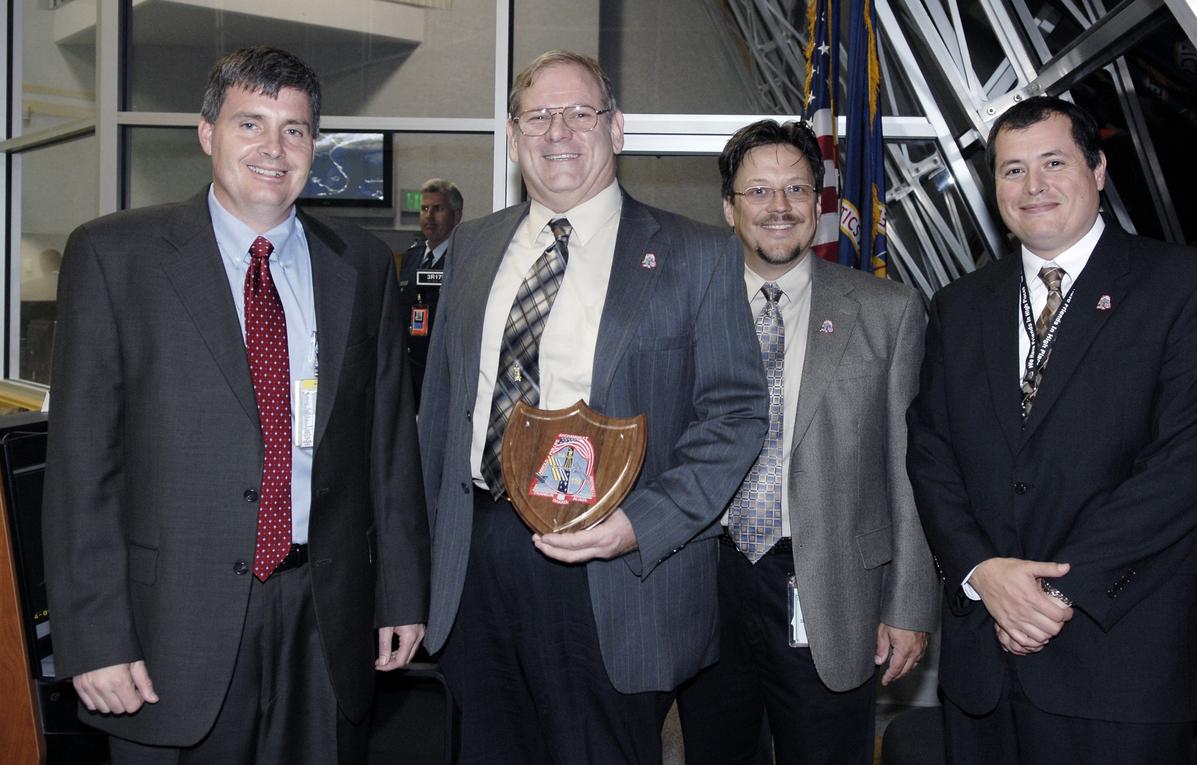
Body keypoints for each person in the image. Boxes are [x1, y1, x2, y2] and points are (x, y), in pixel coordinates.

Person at [42, 46, 429, 764]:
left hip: (325, 616)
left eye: (296, 129)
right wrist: (93, 637)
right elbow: (81, 469)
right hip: (167, 631)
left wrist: (401, 591)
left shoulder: (364, 265)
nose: (274, 149)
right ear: (205, 132)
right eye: (251, 124)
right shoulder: (114, 257)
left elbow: (386, 445)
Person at [417, 50, 768, 763]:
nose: (559, 132)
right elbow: (439, 409)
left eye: (580, 112)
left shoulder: (697, 254)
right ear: (514, 136)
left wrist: (636, 526)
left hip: (612, 572)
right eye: (539, 116)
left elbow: (735, 416)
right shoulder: (475, 246)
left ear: (617, 128)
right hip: (474, 563)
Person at [906, 96, 1197, 764]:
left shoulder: (1189, 287)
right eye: (1012, 171)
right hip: (982, 672)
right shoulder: (960, 305)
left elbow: (1190, 461)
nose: (1033, 186)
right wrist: (982, 571)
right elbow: (932, 453)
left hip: (1117, 668)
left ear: (1097, 168)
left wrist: (1055, 591)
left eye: (1053, 162)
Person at [676, 119, 937, 765]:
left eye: (795, 189)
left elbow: (911, 471)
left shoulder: (888, 311)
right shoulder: (684, 308)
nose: (779, 207)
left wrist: (909, 604)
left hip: (830, 588)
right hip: (706, 580)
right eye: (758, 191)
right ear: (729, 207)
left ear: (818, 205)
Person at [400, 178, 463, 407]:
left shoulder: (462, 260)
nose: (429, 216)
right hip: (411, 369)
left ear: (456, 215)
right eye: (424, 209)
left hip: (442, 369)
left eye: (438, 209)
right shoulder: (412, 256)